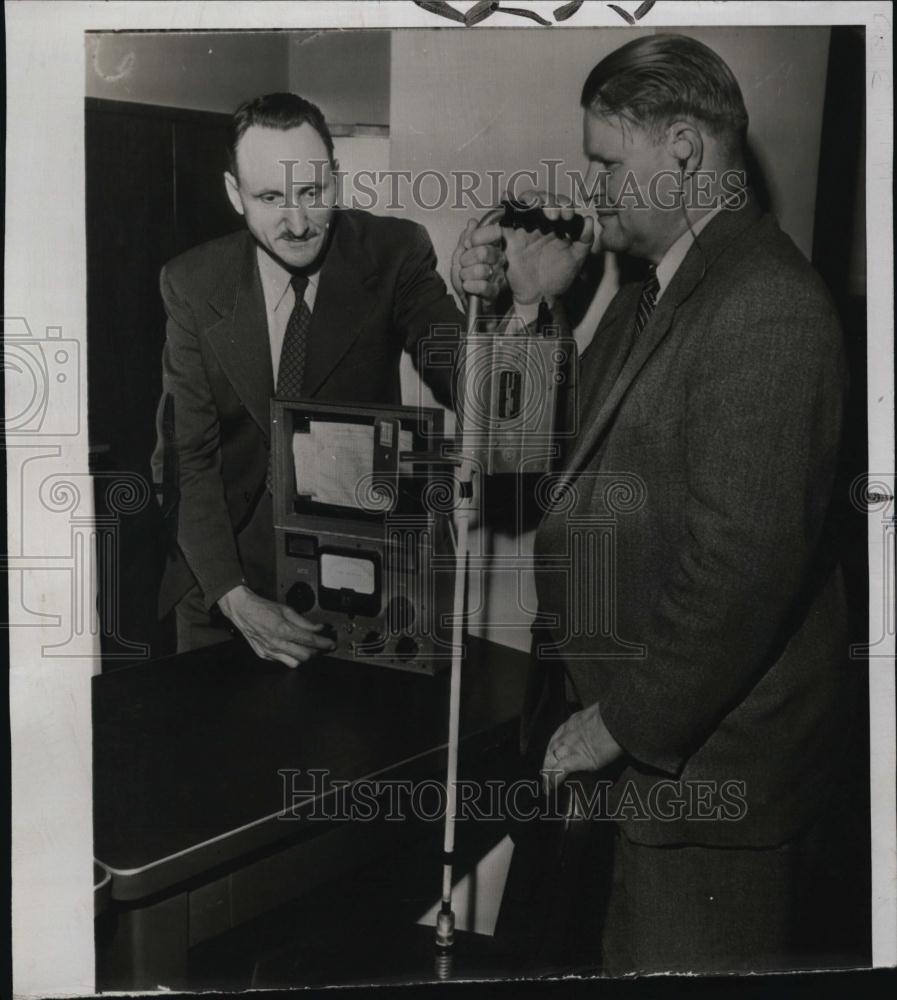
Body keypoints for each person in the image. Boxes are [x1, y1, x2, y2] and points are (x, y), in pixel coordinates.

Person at [458, 34, 852, 974]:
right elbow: (524, 471)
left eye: (604, 161)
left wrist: (618, 725)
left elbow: (742, 567)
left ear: (682, 148)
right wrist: (525, 309)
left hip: (703, 777)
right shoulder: (657, 290)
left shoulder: (765, 305)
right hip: (630, 754)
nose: (589, 186)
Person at [152, 92, 472, 665]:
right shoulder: (192, 285)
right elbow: (186, 460)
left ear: (336, 180)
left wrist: (514, 304)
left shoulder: (395, 253)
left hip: (354, 586)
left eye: (312, 193)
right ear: (235, 194)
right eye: (271, 197)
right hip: (221, 586)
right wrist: (233, 597)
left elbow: (472, 384)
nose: (298, 223)